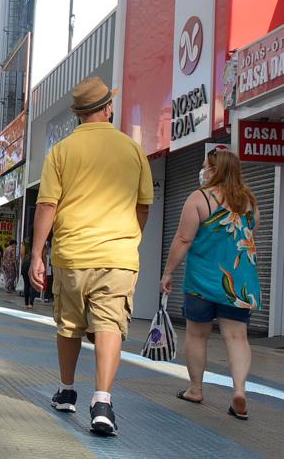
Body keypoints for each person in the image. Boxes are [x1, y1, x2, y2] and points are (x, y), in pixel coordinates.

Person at [29, 76, 153, 436]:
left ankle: (67, 391)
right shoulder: (132, 149)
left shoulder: (62, 151)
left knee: (68, 324)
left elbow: (48, 204)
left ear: (78, 114)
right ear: (108, 107)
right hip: (118, 256)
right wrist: (128, 239)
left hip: (71, 255)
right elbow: (143, 206)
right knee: (110, 325)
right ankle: (102, 402)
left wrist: (37, 254)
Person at [160, 148, 259, 420]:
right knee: (237, 337)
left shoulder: (199, 198)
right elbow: (250, 233)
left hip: (202, 280)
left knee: (197, 334)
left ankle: (195, 389)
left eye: (206, 166)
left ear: (215, 170)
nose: (202, 170)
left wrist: (168, 272)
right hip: (239, 284)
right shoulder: (249, 201)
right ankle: (239, 390)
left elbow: (183, 239)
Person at [21, 240, 36, 309]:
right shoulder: (39, 240)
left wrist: (24, 261)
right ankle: (31, 303)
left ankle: (26, 303)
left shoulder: (25, 241)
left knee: (26, 284)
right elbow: (43, 254)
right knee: (33, 284)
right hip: (35, 263)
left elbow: (22, 253)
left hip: (26, 263)